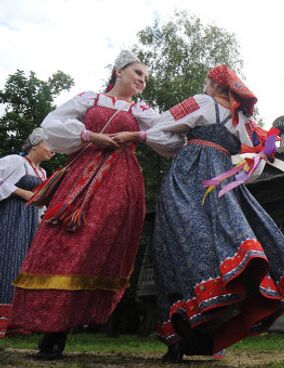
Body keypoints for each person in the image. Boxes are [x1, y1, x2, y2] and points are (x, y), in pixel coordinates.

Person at [10, 50, 168, 360]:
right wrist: (89, 135)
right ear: (118, 71)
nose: (142, 80)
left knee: (93, 246)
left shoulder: (142, 110)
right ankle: (52, 331)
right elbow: (53, 124)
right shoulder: (89, 99)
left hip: (120, 182)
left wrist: (135, 132)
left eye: (146, 78)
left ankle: (68, 325)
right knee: (63, 242)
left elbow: (168, 132)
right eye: (138, 73)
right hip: (81, 175)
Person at [151, 65, 284, 361]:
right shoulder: (245, 121)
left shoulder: (201, 103)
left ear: (215, 85)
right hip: (224, 182)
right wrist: (227, 164)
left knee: (175, 246)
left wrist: (181, 147)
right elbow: (255, 166)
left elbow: (158, 130)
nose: (204, 87)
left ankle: (179, 336)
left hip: (188, 177)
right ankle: (208, 329)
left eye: (206, 83)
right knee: (220, 247)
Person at [0, 128, 53, 338]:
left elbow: (40, 201)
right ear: (36, 143)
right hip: (10, 217)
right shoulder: (16, 161)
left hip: (30, 220)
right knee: (7, 260)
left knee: (24, 265)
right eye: (49, 146)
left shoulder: (42, 173)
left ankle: (16, 320)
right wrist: (23, 192)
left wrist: (42, 219)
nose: (53, 151)